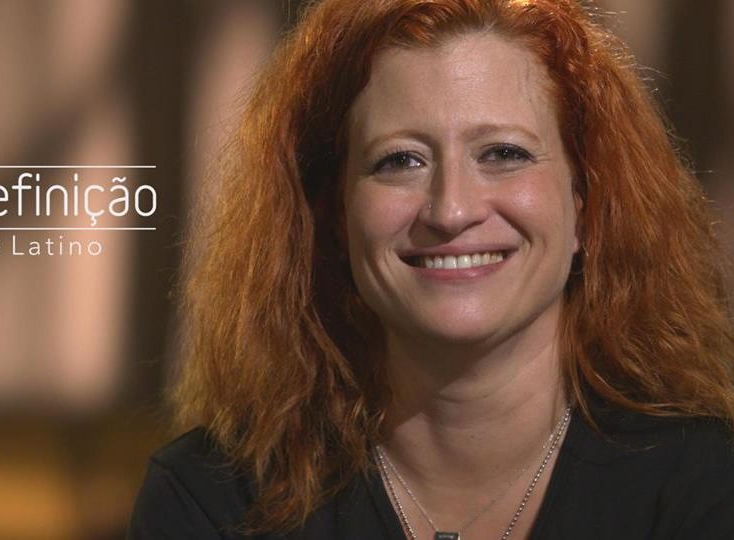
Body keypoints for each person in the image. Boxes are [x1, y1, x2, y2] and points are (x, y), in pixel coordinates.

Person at [129, 0, 734, 538]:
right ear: (335, 216)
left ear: (584, 204)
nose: (451, 210)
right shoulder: (212, 502)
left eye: (503, 153)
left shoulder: (707, 485)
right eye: (400, 161)